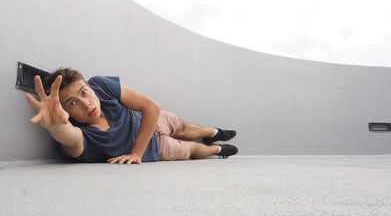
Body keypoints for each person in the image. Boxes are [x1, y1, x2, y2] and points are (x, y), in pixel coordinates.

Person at [25, 68, 238, 164]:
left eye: (84, 92)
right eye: (72, 103)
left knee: (182, 127)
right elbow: (69, 137)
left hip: (149, 120)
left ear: (89, 87)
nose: (85, 103)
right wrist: (53, 125)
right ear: (67, 113)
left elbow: (152, 107)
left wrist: (136, 152)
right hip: (155, 149)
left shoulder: (100, 84)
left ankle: (214, 132)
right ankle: (218, 150)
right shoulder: (84, 136)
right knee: (192, 149)